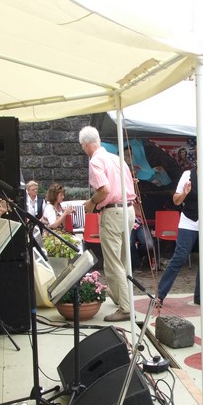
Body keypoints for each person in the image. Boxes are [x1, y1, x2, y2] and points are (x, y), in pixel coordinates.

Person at [157, 143, 203, 306]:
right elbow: (176, 200)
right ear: (197, 159)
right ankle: (160, 294)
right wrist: (185, 192)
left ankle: (200, 296)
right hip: (189, 221)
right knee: (179, 257)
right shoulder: (187, 175)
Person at [80, 126, 136, 322]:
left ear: (85, 145)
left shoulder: (95, 161)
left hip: (112, 212)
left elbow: (104, 189)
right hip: (129, 210)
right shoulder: (116, 158)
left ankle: (125, 307)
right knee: (123, 260)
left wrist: (91, 203)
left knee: (114, 262)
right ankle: (121, 297)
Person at [25, 180, 45, 244]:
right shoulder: (25, 200)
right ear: (28, 191)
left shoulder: (41, 199)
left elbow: (44, 211)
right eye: (33, 190)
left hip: (39, 223)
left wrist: (41, 219)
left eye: (36, 189)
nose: (35, 191)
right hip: (29, 224)